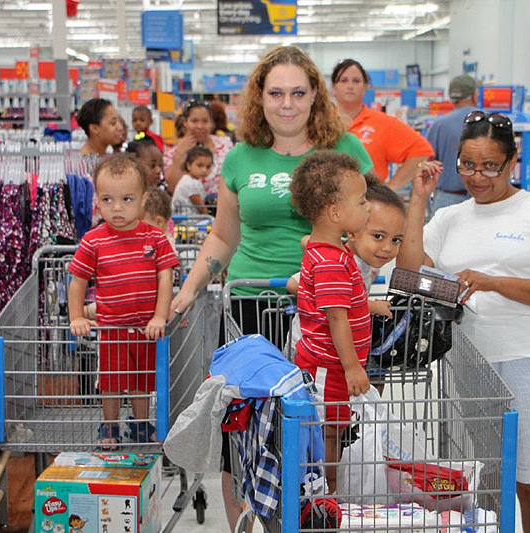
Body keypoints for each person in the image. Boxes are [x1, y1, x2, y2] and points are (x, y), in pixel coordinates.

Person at [169, 44, 373, 532]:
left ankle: (318, 518)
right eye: (276, 92)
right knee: (241, 428)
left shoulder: (345, 151)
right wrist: (190, 286)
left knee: (321, 429)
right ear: (259, 98)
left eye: (298, 93)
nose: (287, 104)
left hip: (325, 314)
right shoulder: (240, 157)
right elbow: (223, 234)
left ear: (314, 96)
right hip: (249, 308)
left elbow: (369, 223)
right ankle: (248, 523)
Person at [397, 110, 530, 533]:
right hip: (470, 362)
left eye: (489, 167)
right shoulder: (450, 218)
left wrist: (493, 283)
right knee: (483, 477)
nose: (477, 177)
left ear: (512, 162)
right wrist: (418, 200)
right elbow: (410, 273)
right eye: (467, 165)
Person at [67, 154, 179, 449]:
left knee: (142, 381)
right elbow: (78, 281)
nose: (117, 208)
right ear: (97, 200)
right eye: (107, 200)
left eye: (127, 199)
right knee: (112, 381)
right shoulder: (93, 240)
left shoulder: (155, 238)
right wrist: (77, 316)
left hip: (146, 328)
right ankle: (110, 426)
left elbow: (164, 279)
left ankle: (141, 425)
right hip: (111, 328)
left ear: (144, 199)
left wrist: (159, 317)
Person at [289, 150, 371, 492]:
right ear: (335, 213)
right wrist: (353, 367)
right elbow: (337, 319)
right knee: (329, 430)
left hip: (330, 363)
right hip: (330, 367)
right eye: (363, 201)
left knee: (331, 428)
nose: (368, 207)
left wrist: (371, 305)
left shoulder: (325, 249)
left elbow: (345, 301)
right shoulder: (330, 261)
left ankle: (326, 487)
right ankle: (327, 491)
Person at [286, 181, 406, 359]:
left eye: (396, 240)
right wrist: (370, 306)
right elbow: (294, 284)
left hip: (331, 350)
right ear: (352, 232)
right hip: (310, 351)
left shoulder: (366, 263)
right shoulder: (337, 261)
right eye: (378, 237)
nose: (387, 248)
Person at [331, 59, 433, 190]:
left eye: (356, 81)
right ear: (333, 87)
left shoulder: (383, 123)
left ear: (365, 87)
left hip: (369, 202)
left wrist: (391, 188)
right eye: (344, 80)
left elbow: (422, 150)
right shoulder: (319, 123)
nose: (350, 86)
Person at [424, 74, 480, 218]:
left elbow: (426, 165)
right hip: (483, 198)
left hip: (447, 199)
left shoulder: (438, 125)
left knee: (442, 240)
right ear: (474, 96)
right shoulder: (488, 122)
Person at [163, 100, 234, 197]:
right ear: (185, 122)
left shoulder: (226, 145)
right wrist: (180, 154)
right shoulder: (172, 153)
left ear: (211, 123)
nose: (200, 126)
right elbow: (171, 188)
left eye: (205, 121)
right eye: (194, 121)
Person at [172, 145, 213, 216]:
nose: (204, 170)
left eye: (208, 167)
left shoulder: (195, 181)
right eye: (200, 166)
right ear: (188, 165)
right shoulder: (189, 183)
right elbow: (201, 208)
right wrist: (208, 215)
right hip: (185, 220)